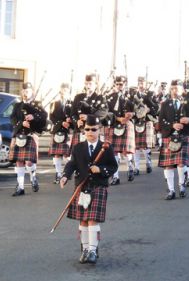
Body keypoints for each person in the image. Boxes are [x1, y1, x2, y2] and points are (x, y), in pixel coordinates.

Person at [60, 115, 118, 265]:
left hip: (98, 185)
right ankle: (85, 249)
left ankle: (92, 250)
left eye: (93, 129)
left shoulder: (106, 147)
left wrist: (100, 169)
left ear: (99, 130)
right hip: (82, 186)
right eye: (87, 129)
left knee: (92, 219)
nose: (90, 132)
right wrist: (65, 176)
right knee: (83, 220)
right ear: (83, 130)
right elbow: (72, 164)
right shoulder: (78, 147)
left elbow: (113, 166)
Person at [158, 80, 189, 200]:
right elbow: (161, 121)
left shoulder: (187, 103)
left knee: (181, 163)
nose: (174, 91)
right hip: (169, 135)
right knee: (168, 165)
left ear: (181, 90)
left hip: (183, 135)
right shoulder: (165, 104)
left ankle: (181, 185)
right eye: (172, 88)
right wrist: (172, 125)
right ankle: (171, 190)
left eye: (176, 88)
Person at [9, 82, 47, 196]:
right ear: (22, 92)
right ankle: (20, 187)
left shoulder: (37, 105)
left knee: (29, 162)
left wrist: (34, 116)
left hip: (30, 135)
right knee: (19, 162)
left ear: (32, 92)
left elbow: (44, 116)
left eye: (28, 91)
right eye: (24, 91)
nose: (26, 93)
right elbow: (12, 119)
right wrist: (22, 123)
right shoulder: (17, 106)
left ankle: (33, 176)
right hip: (19, 135)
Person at [106, 76, 136, 184]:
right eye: (117, 84)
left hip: (127, 124)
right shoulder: (109, 97)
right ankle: (115, 176)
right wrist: (118, 118)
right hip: (115, 123)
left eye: (121, 84)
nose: (119, 86)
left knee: (127, 151)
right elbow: (107, 112)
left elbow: (137, 111)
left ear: (124, 85)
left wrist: (130, 115)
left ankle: (130, 167)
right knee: (113, 151)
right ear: (114, 85)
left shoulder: (131, 96)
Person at [132, 76, 159, 175]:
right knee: (136, 147)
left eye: (143, 82)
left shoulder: (150, 95)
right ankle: (137, 167)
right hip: (136, 121)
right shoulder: (133, 95)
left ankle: (148, 163)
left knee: (146, 146)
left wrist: (149, 109)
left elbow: (156, 108)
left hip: (147, 121)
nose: (141, 84)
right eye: (140, 82)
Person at [49, 83, 73, 183]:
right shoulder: (54, 103)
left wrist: (70, 121)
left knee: (68, 154)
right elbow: (51, 117)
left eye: (66, 90)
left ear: (68, 91)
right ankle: (58, 174)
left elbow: (74, 115)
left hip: (68, 131)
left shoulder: (72, 103)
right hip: (57, 130)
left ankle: (68, 172)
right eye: (62, 89)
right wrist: (61, 123)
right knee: (57, 154)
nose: (64, 91)